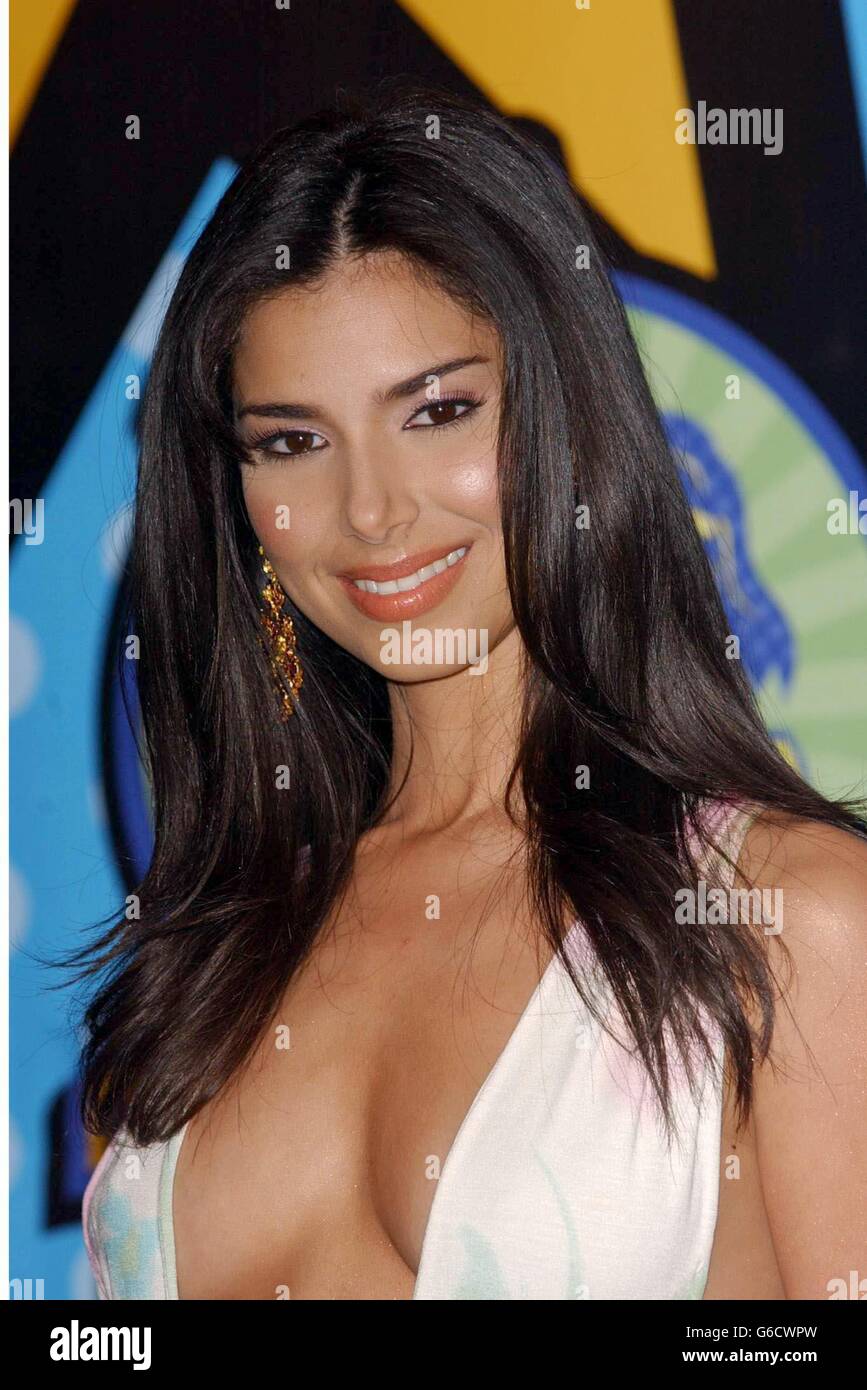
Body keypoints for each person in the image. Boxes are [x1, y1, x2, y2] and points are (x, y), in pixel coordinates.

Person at [71, 82, 867, 1300]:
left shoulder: (790, 921)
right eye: (292, 440)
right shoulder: (194, 967)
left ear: (564, 413)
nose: (372, 510)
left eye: (438, 411)